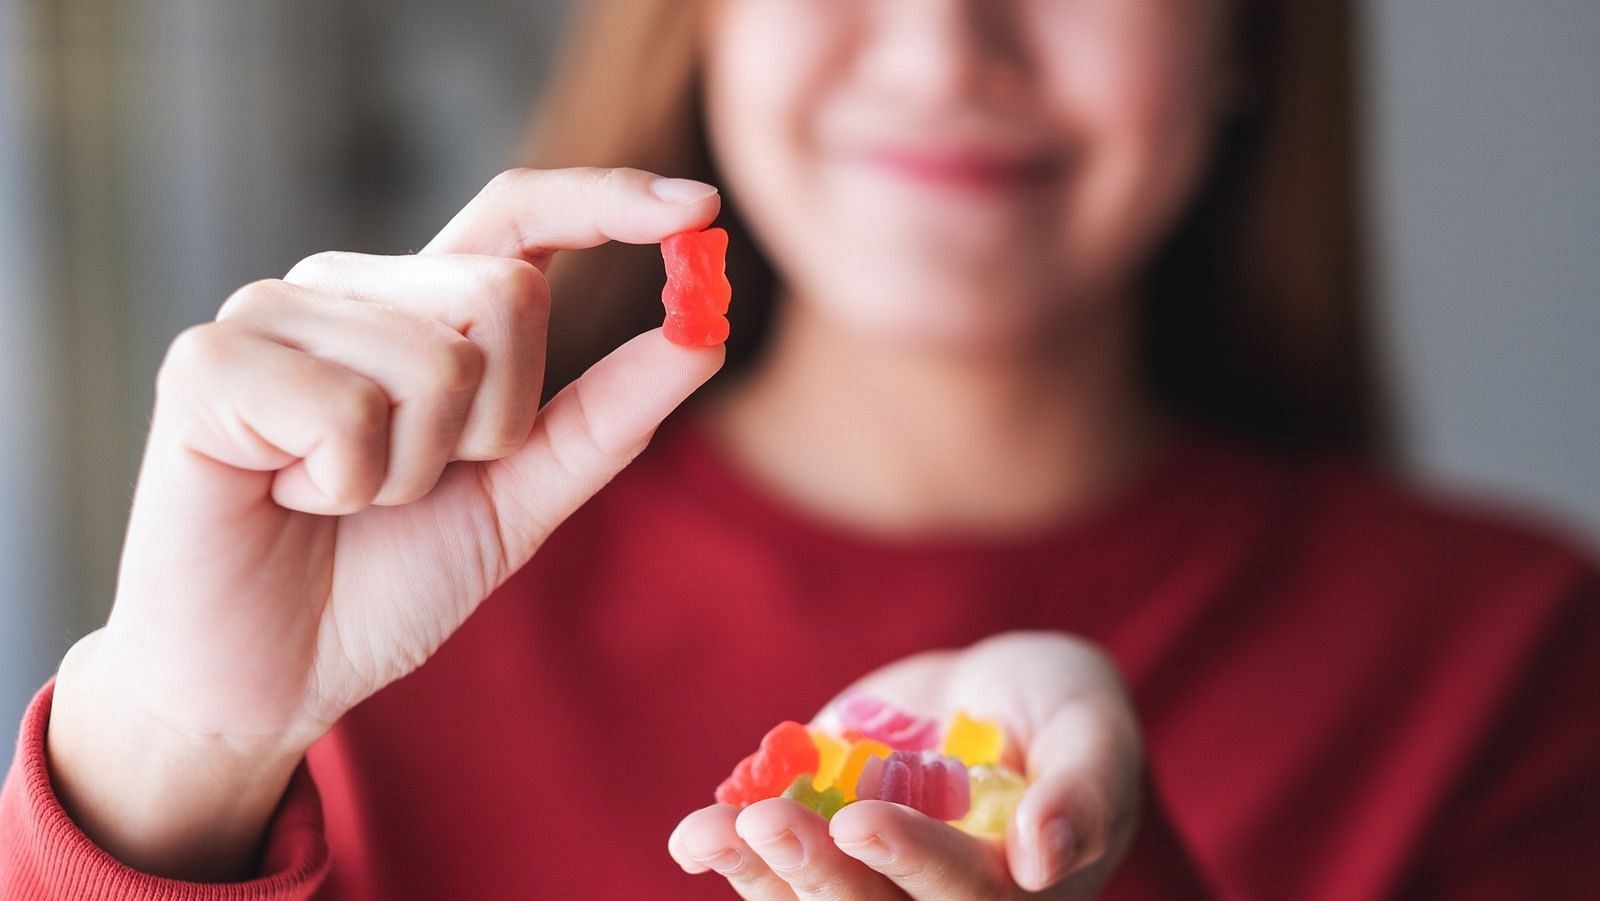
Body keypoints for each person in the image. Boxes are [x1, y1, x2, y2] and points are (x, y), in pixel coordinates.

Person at [4, 0, 1597, 898]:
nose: (942, 43)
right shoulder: (376, 625)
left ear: (1251, 34)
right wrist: (179, 745)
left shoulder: (1512, 659)